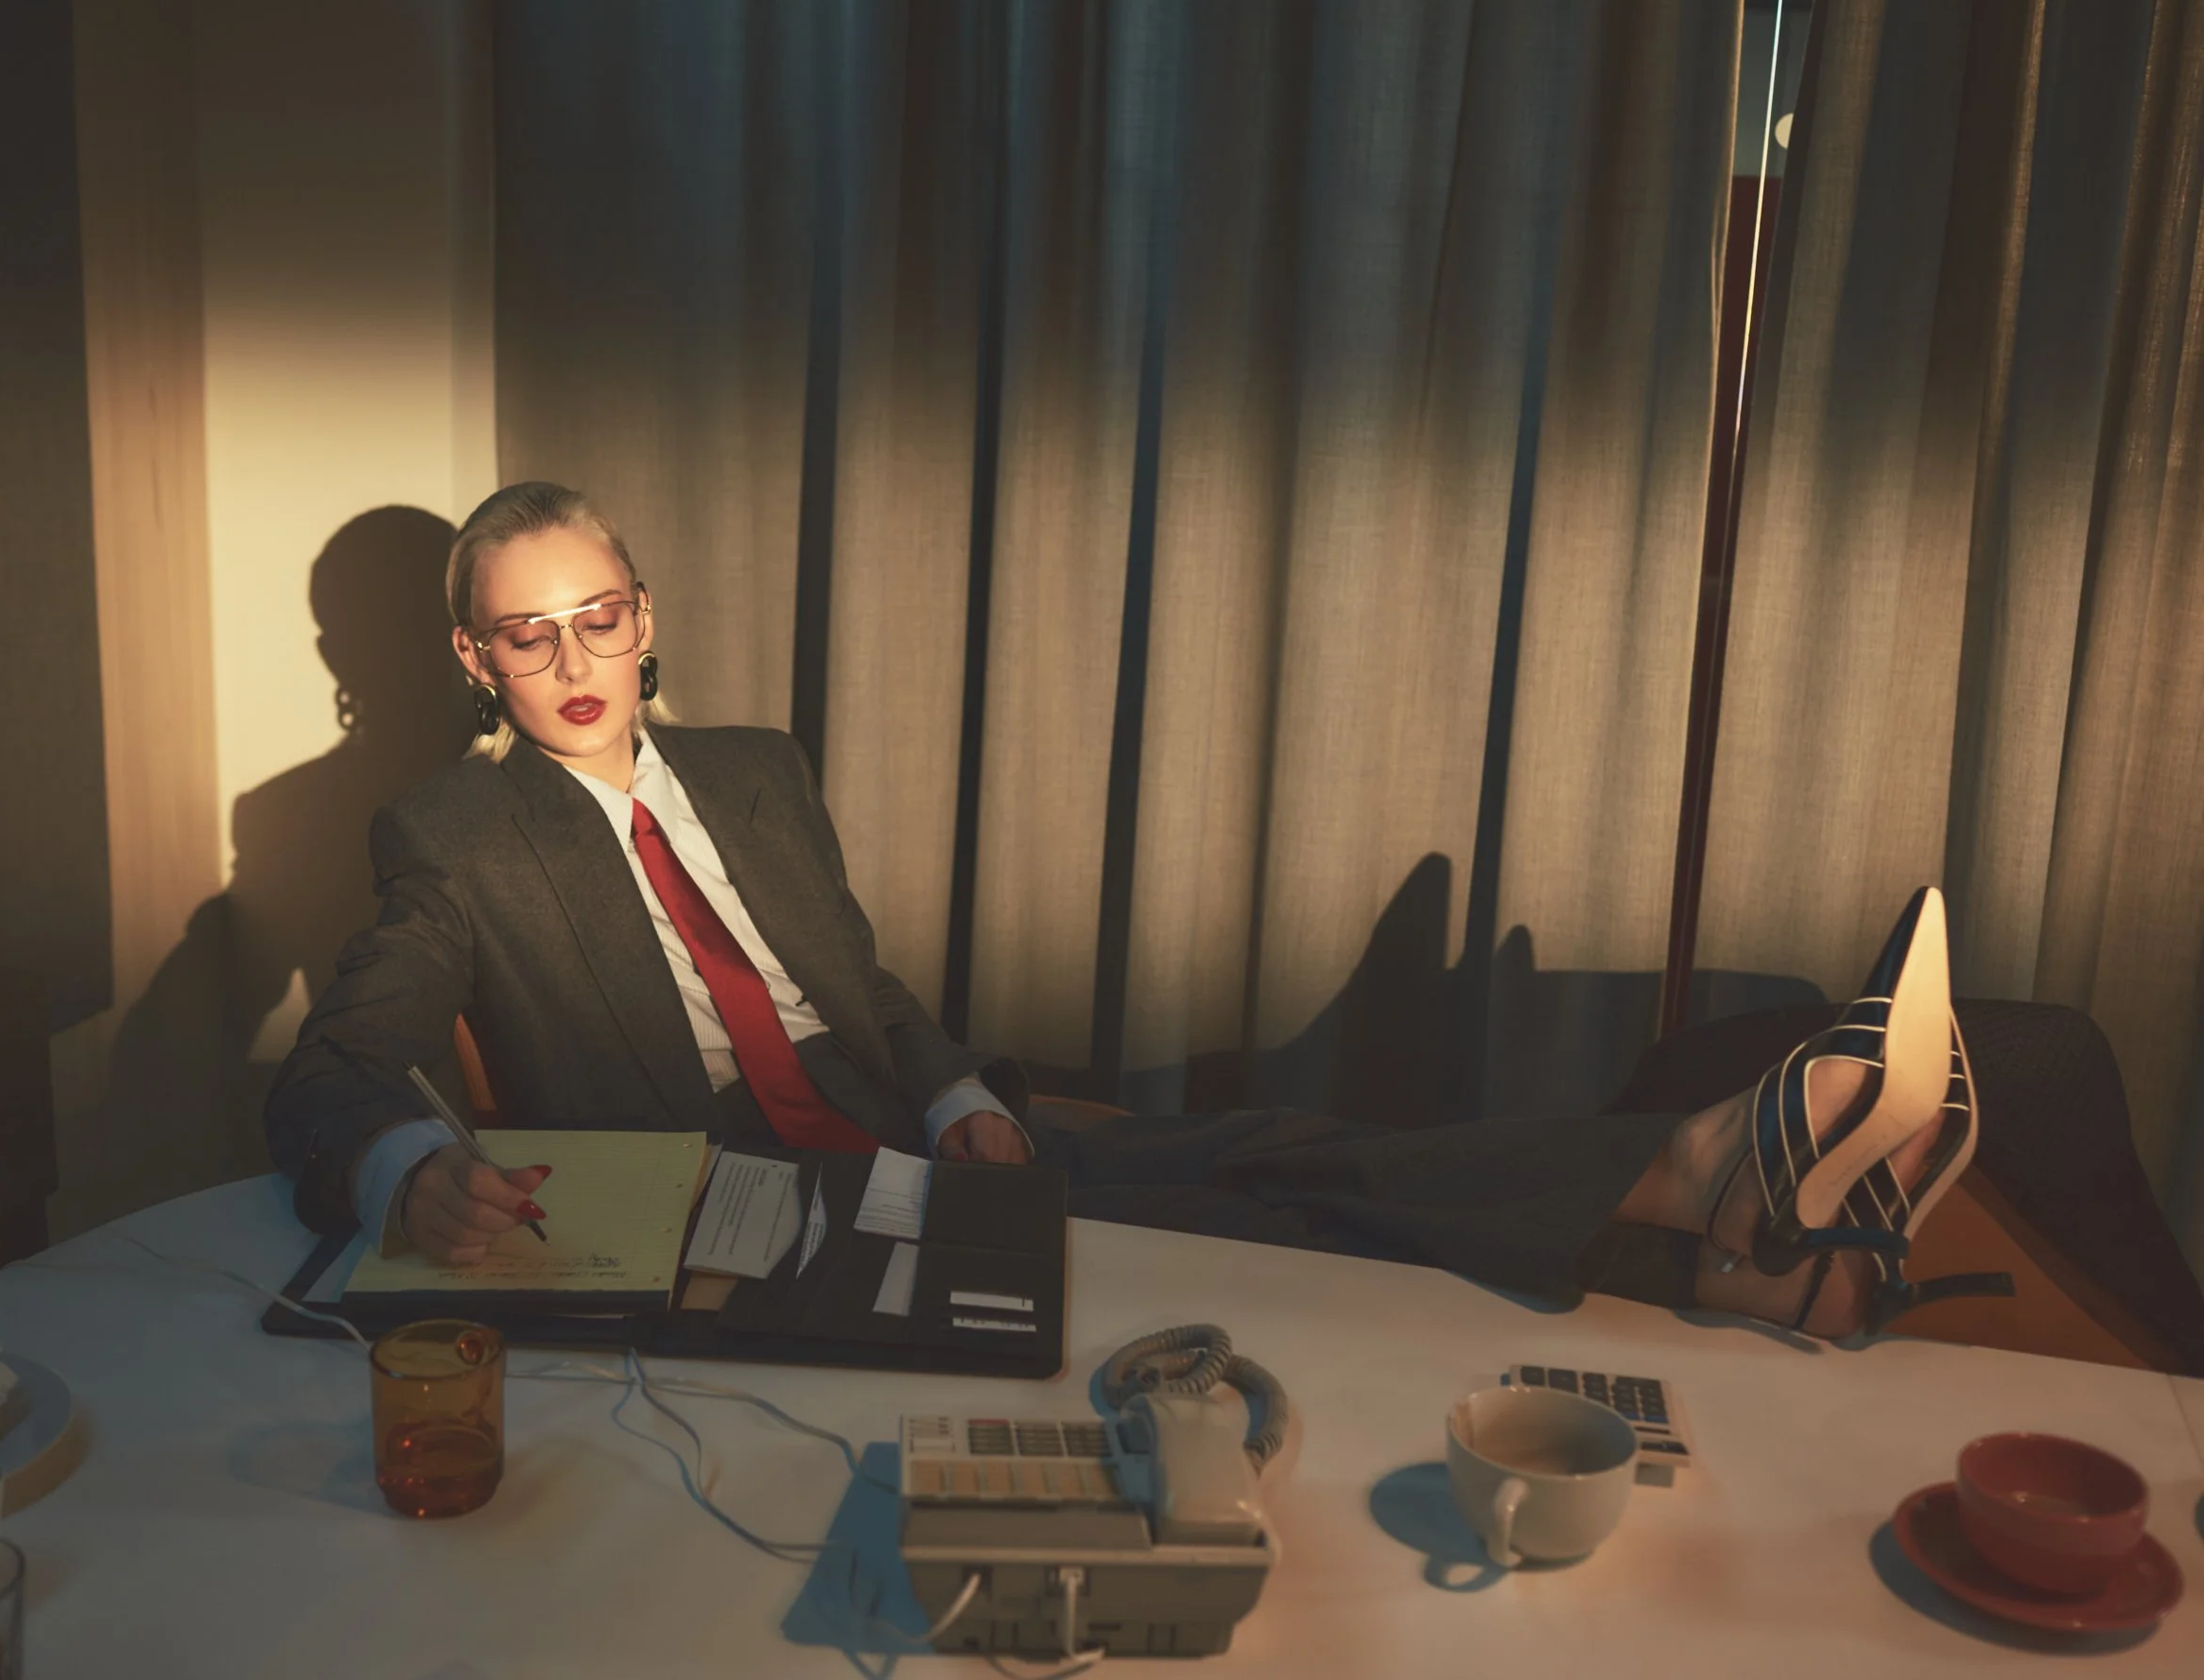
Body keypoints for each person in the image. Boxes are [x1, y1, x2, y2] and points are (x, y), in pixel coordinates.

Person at [266, 483, 2007, 1342]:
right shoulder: (457, 832)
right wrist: (398, 1163)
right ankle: (1709, 1192)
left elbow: (863, 992)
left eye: (599, 617)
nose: (573, 663)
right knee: (1256, 1207)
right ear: (471, 659)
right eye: (527, 634)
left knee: (1253, 1147)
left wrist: (952, 1092)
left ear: (647, 617)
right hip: (757, 1222)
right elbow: (345, 1059)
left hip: (910, 1145)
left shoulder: (758, 768)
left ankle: (1729, 1236)